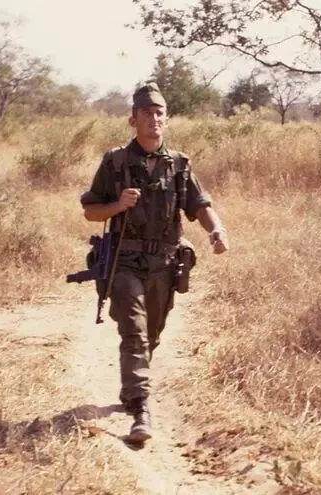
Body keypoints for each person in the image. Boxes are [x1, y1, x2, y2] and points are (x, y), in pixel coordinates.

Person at [79, 82, 229, 443]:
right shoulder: (115, 162)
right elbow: (90, 210)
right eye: (146, 113)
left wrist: (216, 230)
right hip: (126, 262)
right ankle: (140, 408)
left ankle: (133, 385)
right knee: (133, 331)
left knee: (151, 334)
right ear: (133, 120)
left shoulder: (178, 165)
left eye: (159, 113)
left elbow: (199, 205)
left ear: (167, 119)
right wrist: (118, 205)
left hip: (164, 263)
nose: (154, 119)